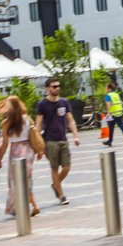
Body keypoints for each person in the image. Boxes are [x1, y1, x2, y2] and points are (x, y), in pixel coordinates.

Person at [35, 77, 79, 205]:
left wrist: (76, 136)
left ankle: (55, 184)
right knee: (54, 168)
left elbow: (70, 120)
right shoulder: (42, 104)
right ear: (48, 88)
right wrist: (39, 147)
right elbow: (38, 125)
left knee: (66, 167)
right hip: (50, 141)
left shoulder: (64, 102)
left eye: (58, 86)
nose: (57, 88)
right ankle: (61, 196)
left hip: (63, 139)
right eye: (54, 86)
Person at [0, 95, 40, 218]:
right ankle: (34, 206)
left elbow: (5, 143)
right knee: (26, 179)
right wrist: (40, 151)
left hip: (16, 151)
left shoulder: (6, 123)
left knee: (15, 181)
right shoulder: (27, 119)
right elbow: (35, 134)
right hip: (28, 150)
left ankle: (18, 207)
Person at [102, 81, 123, 146]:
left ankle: (110, 141)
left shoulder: (108, 95)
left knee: (111, 128)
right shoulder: (116, 94)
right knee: (122, 126)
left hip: (113, 114)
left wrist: (108, 113)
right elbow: (120, 102)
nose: (105, 89)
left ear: (109, 88)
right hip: (119, 112)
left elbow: (108, 104)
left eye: (106, 87)